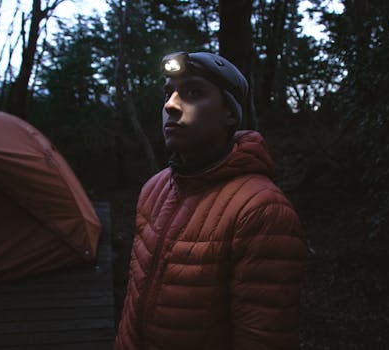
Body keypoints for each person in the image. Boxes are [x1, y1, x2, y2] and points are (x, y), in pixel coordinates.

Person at [115, 51, 306, 350]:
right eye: (168, 93)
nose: (170, 105)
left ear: (229, 113)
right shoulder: (153, 189)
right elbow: (132, 304)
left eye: (193, 93)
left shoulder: (261, 210)